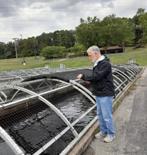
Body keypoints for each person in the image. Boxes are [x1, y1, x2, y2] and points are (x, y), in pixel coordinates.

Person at [77, 45, 116, 143]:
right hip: (99, 93)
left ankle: (111, 134)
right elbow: (98, 78)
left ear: (96, 53)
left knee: (107, 115)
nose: (89, 57)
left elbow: (98, 76)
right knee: (100, 114)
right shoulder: (97, 63)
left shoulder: (105, 64)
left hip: (105, 93)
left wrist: (84, 76)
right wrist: (90, 81)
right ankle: (103, 131)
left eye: (89, 55)